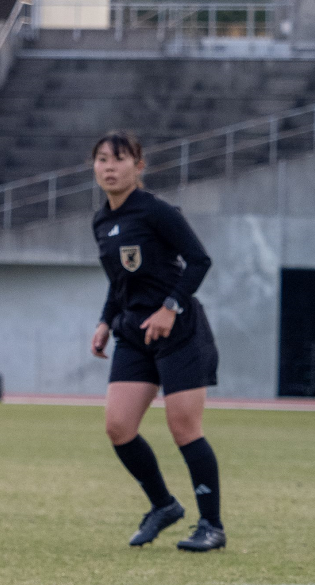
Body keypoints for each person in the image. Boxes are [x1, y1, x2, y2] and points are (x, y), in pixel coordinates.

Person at [90, 131, 226, 552]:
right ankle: (164, 505)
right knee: (118, 427)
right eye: (101, 159)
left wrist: (170, 307)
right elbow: (121, 281)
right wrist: (106, 322)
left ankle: (211, 526)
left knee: (183, 427)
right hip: (133, 333)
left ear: (139, 166)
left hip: (179, 330)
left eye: (119, 159)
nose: (109, 167)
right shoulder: (101, 220)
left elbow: (199, 261)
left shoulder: (157, 212)